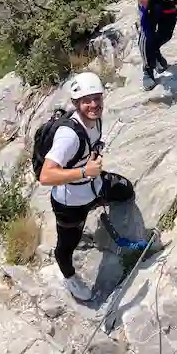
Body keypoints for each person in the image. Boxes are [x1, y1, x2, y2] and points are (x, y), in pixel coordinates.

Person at [38, 71, 134, 302]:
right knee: (67, 246)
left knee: (126, 190)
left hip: (94, 184)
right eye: (86, 101)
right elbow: (45, 176)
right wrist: (84, 171)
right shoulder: (68, 136)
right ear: (76, 103)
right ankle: (69, 276)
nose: (93, 104)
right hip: (70, 202)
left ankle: (97, 201)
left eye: (97, 98)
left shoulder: (95, 120)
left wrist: (91, 169)